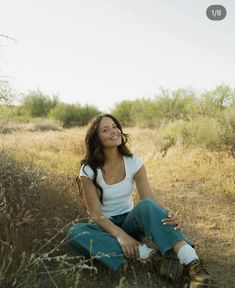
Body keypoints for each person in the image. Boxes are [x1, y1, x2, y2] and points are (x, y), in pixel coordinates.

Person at [67, 114, 216, 287]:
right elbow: (95, 214)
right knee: (75, 233)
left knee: (146, 206)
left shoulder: (133, 162)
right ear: (96, 138)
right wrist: (121, 236)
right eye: (105, 130)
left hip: (131, 221)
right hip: (104, 226)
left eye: (115, 126)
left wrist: (167, 212)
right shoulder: (88, 170)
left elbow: (148, 198)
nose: (113, 131)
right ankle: (153, 258)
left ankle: (195, 267)